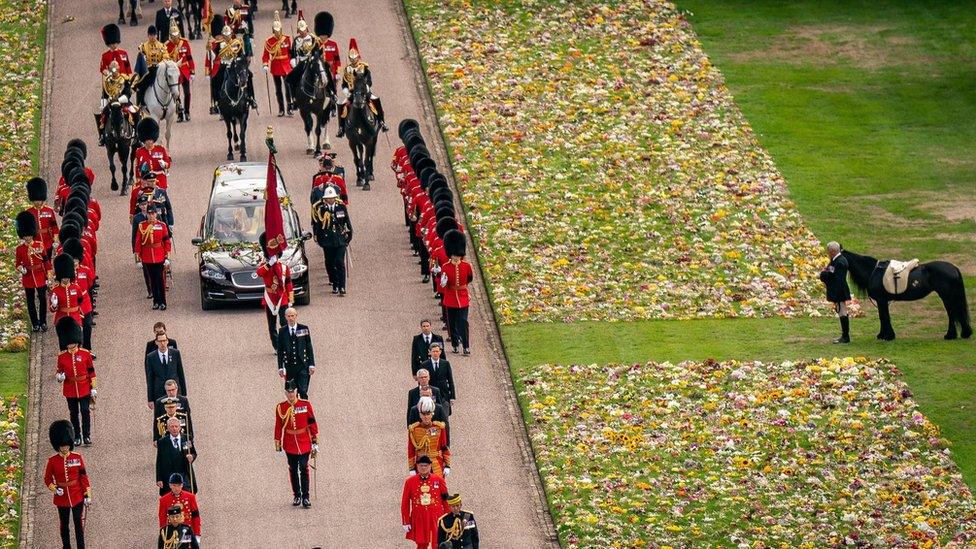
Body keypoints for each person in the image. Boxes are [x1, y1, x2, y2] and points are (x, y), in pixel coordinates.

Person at [44, 420, 91, 549]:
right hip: (62, 497)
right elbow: (47, 479)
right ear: (58, 445)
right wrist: (54, 489)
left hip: (77, 495)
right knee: (64, 525)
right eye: (62, 446)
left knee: (78, 523)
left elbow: (83, 477)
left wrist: (87, 495)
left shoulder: (77, 457)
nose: (65, 448)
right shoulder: (52, 461)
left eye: (67, 445)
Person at [274, 380, 317, 508]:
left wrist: (315, 440)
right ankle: (297, 495)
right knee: (293, 469)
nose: (291, 395)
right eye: (289, 393)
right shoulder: (281, 408)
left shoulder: (305, 405)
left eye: (293, 393)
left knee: (304, 467)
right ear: (285, 393)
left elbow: (312, 422)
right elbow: (278, 426)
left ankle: (306, 497)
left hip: (304, 442)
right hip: (290, 443)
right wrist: (278, 442)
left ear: (296, 392)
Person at [55, 318, 96, 447]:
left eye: (73, 342)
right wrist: (59, 377)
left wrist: (93, 387)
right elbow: (59, 371)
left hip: (84, 387)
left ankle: (87, 435)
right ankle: (77, 436)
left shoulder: (85, 354)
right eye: (69, 343)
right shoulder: (62, 357)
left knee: (85, 411)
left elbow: (91, 372)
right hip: (70, 388)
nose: (71, 345)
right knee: (73, 413)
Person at [336, 38, 388, 137]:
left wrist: (366, 88)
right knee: (342, 106)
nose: (353, 60)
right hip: (352, 93)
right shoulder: (347, 70)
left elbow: (369, 81)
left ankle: (382, 121)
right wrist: (346, 92)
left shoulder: (364, 68)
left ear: (358, 57)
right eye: (351, 58)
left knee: (376, 101)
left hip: (364, 91)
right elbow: (344, 84)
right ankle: (341, 128)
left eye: (354, 58)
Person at [311, 186, 352, 295]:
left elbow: (347, 222)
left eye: (332, 197)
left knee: (339, 262)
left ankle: (342, 286)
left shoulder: (341, 207)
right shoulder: (321, 209)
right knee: (330, 262)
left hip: (340, 240)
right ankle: (335, 284)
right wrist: (320, 240)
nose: (331, 200)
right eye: (328, 198)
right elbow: (318, 225)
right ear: (325, 199)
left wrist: (348, 237)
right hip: (327, 241)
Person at [257, 232, 294, 353]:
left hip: (282, 298)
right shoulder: (265, 265)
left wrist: (291, 300)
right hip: (269, 298)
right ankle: (277, 346)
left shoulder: (284, 267)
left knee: (284, 322)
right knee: (272, 326)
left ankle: (286, 344)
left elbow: (288, 283)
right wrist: (269, 263)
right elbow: (259, 273)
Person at [401, 455, 448, 549]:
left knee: (437, 542)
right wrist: (406, 521)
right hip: (419, 517)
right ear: (417, 467)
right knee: (421, 543)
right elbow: (405, 503)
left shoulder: (439, 480)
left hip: (436, 517)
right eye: (421, 465)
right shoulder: (409, 482)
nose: (423, 468)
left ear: (430, 466)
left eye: (426, 465)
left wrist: (448, 517)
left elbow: (445, 501)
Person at [438, 230, 473, 356]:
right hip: (451, 297)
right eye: (454, 255)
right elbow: (443, 284)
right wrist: (443, 281)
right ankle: (454, 344)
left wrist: (464, 290)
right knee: (451, 323)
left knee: (463, 321)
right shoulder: (446, 267)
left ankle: (466, 346)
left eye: (458, 255)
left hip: (463, 297)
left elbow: (469, 279)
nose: (457, 257)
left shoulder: (466, 266)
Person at [15, 210, 50, 332]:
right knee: (30, 302)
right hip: (28, 277)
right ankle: (35, 323)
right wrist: (21, 269)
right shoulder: (20, 249)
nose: (28, 238)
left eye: (29, 236)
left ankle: (43, 321)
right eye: (25, 236)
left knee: (42, 298)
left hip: (40, 275)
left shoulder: (39, 245)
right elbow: (17, 264)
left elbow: (46, 261)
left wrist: (49, 274)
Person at [135, 207, 172, 310]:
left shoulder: (162, 225)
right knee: (152, 280)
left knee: (160, 280)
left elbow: (166, 242)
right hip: (147, 257)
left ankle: (163, 302)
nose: (151, 216)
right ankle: (155, 301)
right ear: (147, 214)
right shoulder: (142, 226)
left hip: (159, 256)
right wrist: (138, 258)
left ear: (156, 214)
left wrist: (167, 257)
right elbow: (138, 242)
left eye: (153, 213)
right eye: (149, 213)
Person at [95, 60, 138, 147]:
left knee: (134, 112)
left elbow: (128, 93)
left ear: (118, 69)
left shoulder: (124, 79)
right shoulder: (107, 80)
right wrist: (104, 103)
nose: (114, 72)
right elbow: (104, 93)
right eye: (112, 70)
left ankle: (136, 135)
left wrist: (120, 99)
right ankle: (102, 136)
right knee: (102, 115)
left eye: (116, 70)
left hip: (123, 102)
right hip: (111, 102)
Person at [277, 307, 315, 399]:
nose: (291, 318)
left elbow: (309, 347)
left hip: (303, 365)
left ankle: (304, 412)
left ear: (296, 316)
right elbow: (280, 351)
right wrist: (280, 367)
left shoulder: (304, 328)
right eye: (288, 316)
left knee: (303, 391)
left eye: (292, 316)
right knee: (291, 392)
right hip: (290, 367)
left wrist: (312, 364)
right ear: (285, 317)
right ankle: (293, 412)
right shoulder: (282, 331)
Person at [408, 398, 451, 477]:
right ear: (420, 415)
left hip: (436, 463)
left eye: (428, 414)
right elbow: (411, 449)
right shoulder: (413, 429)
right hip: (420, 465)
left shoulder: (439, 427)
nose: (426, 417)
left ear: (432, 414)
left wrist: (447, 465)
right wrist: (411, 468)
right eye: (424, 414)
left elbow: (444, 447)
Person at [819, 241, 852, 344]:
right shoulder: (836, 260)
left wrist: (824, 275)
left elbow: (835, 277)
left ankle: (845, 336)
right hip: (839, 290)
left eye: (828, 251)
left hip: (839, 291)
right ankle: (844, 335)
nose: (828, 253)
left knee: (842, 312)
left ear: (832, 251)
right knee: (841, 311)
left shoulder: (839, 262)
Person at [156, 417, 198, 495]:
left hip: (185, 475)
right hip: (168, 476)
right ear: (168, 428)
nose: (174, 429)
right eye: (172, 427)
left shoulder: (187, 438)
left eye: (176, 426)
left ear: (180, 427)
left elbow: (193, 453)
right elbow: (159, 461)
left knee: (186, 497)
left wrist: (192, 457)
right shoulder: (162, 442)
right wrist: (159, 478)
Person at [262, 11, 293, 117]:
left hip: (286, 65)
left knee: (288, 87)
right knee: (278, 89)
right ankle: (281, 109)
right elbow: (266, 55)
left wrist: (292, 60)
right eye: (276, 30)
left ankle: (289, 107)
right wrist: (265, 64)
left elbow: (290, 52)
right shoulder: (269, 41)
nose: (277, 32)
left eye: (279, 30)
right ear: (273, 30)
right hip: (275, 66)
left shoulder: (287, 39)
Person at [145, 332, 187, 407]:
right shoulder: (151, 357)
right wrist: (150, 399)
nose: (163, 343)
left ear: (167, 341)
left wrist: (184, 394)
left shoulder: (175, 353)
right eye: (160, 341)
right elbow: (150, 379)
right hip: (159, 394)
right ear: (156, 342)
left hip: (175, 392)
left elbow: (180, 373)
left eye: (164, 340)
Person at [157, 473, 201, 545]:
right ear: (170, 485)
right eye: (174, 485)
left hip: (187, 533)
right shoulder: (163, 500)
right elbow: (162, 519)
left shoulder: (191, 497)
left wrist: (197, 534)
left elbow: (196, 517)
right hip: (172, 534)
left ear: (182, 485)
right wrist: (164, 535)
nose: (177, 488)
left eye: (179, 485)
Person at [132, 25, 170, 107]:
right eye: (150, 35)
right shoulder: (143, 47)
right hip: (148, 71)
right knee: (140, 85)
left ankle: (177, 103)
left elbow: (166, 57)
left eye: (154, 35)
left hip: (159, 69)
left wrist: (161, 64)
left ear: (157, 35)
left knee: (172, 83)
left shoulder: (162, 46)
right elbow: (142, 58)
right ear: (148, 35)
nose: (152, 37)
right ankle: (140, 104)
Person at [165, 22, 194, 122]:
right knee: (175, 94)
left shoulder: (184, 43)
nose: (175, 39)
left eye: (177, 36)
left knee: (187, 93)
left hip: (184, 70)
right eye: (173, 37)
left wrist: (192, 71)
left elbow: (189, 58)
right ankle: (180, 113)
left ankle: (187, 111)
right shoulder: (167, 45)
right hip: (174, 72)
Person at [25, 176, 59, 259]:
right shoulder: (29, 212)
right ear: (32, 200)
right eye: (36, 200)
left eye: (40, 200)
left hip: (48, 243)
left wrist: (56, 240)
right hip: (34, 244)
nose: (39, 202)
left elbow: (54, 227)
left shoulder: (49, 211)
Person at [134, 117, 172, 189]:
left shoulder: (161, 149)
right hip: (145, 182)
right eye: (147, 140)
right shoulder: (139, 152)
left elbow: (168, 163)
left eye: (151, 140)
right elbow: (137, 168)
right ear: (144, 140)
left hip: (160, 180)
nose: (149, 142)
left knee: (165, 200)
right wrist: (138, 181)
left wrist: (164, 164)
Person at [419, 342, 455, 415]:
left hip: (444, 396)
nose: (435, 353)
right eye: (433, 351)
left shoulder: (445, 364)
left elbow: (450, 380)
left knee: (445, 419)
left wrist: (452, 397)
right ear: (429, 352)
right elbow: (421, 381)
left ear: (440, 352)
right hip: (431, 395)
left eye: (437, 351)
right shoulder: (424, 364)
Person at [49, 254, 83, 327]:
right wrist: (54, 305)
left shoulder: (76, 288)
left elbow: (80, 300)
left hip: (75, 318)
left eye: (67, 277)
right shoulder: (55, 290)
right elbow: (52, 310)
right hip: (61, 319)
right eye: (63, 278)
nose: (66, 279)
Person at [316, 12, 340, 79]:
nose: (323, 37)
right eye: (321, 35)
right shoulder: (315, 44)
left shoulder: (333, 44)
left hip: (331, 71)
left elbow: (337, 60)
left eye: (324, 35)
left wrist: (338, 72)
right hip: (319, 70)